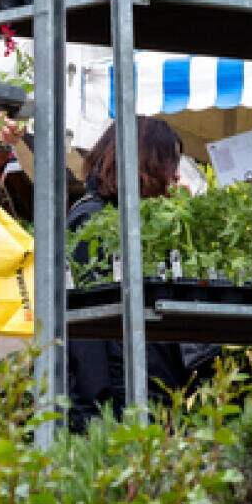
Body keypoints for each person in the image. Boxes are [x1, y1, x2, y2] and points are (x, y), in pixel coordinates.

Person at [67, 117, 218, 431]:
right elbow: (89, 334)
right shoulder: (94, 221)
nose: (176, 175)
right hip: (122, 398)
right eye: (169, 163)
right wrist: (96, 413)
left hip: (144, 389)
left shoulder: (134, 223)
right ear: (145, 163)